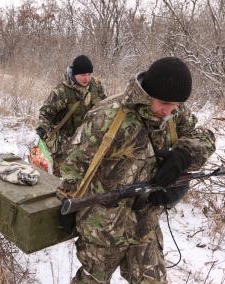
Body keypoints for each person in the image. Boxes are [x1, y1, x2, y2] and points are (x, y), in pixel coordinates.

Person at [60, 57, 216, 283]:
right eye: (164, 103)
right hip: (102, 226)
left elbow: (204, 137)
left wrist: (184, 155)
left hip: (145, 223)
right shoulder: (108, 115)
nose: (169, 111)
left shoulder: (173, 112)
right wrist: (66, 202)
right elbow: (74, 165)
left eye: (176, 105)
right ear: (148, 93)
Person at [36, 55, 106, 176]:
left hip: (89, 139)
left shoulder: (96, 85)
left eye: (89, 74)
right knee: (64, 176)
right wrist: (43, 128)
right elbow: (45, 114)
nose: (87, 78)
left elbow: (105, 105)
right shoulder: (61, 92)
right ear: (74, 74)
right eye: (83, 75)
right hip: (66, 143)